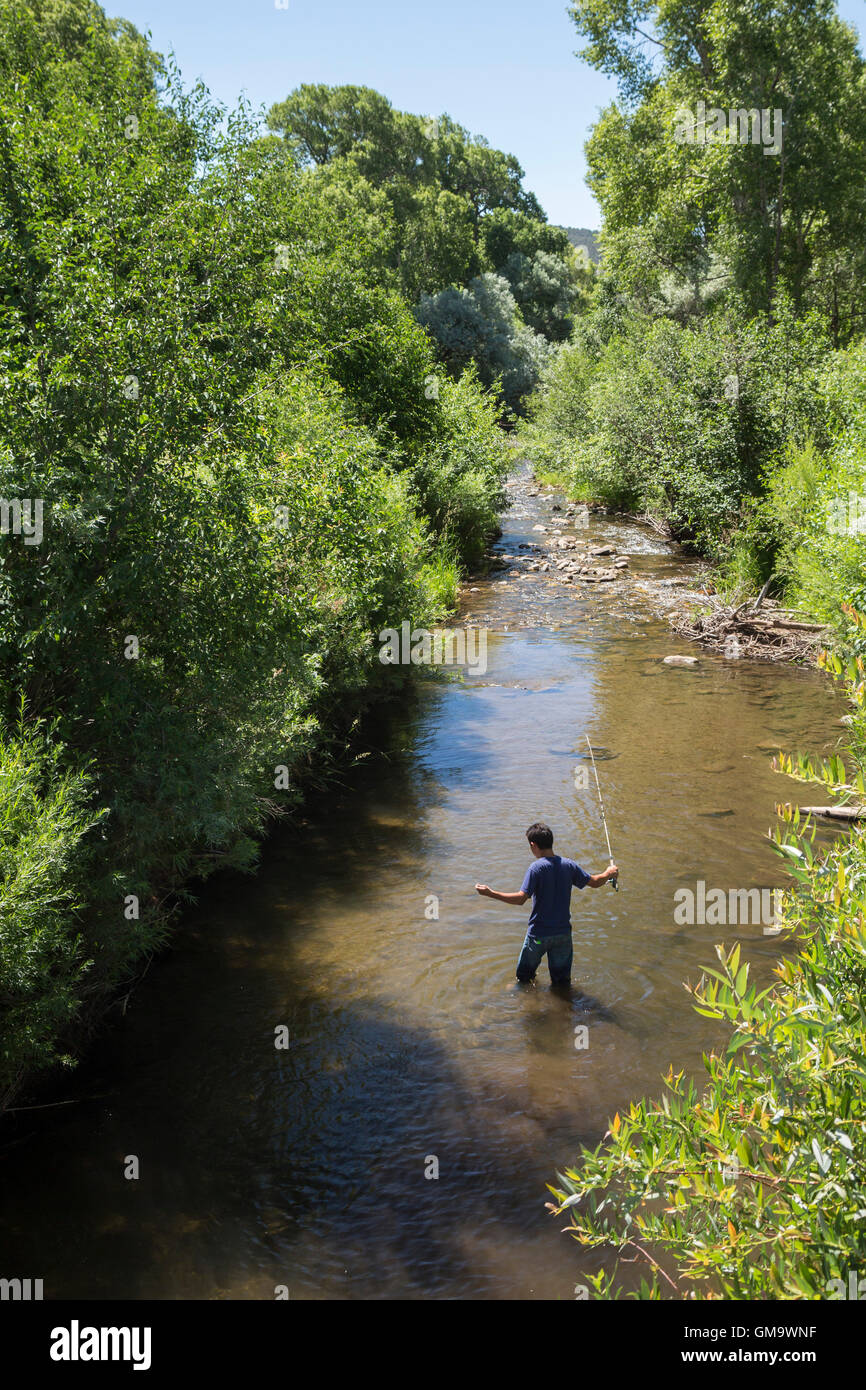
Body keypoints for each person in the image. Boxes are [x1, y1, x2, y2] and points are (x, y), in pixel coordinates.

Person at [475, 822, 618, 986]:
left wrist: (491, 893)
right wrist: (609, 873)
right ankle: (564, 1006)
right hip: (563, 935)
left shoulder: (536, 868)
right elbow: (594, 882)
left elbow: (521, 899)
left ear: (533, 845)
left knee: (523, 979)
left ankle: (528, 1003)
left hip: (538, 935)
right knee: (562, 983)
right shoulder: (568, 865)